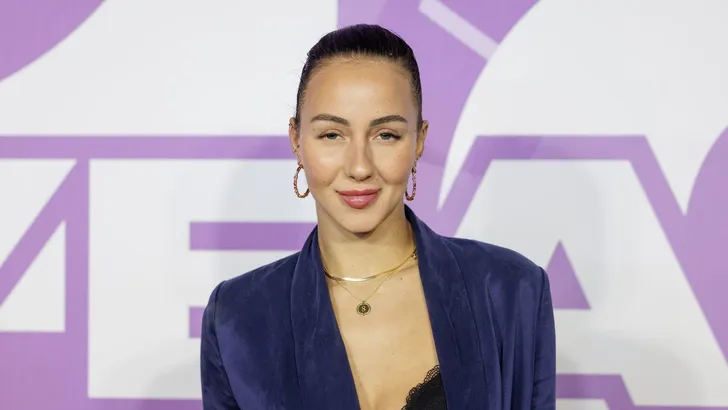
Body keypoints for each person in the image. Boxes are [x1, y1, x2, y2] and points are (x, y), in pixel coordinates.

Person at [200, 23, 556, 410]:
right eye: (331, 134)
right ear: (297, 140)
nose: (359, 167)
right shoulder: (238, 317)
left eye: (386, 134)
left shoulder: (510, 291)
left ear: (419, 141)